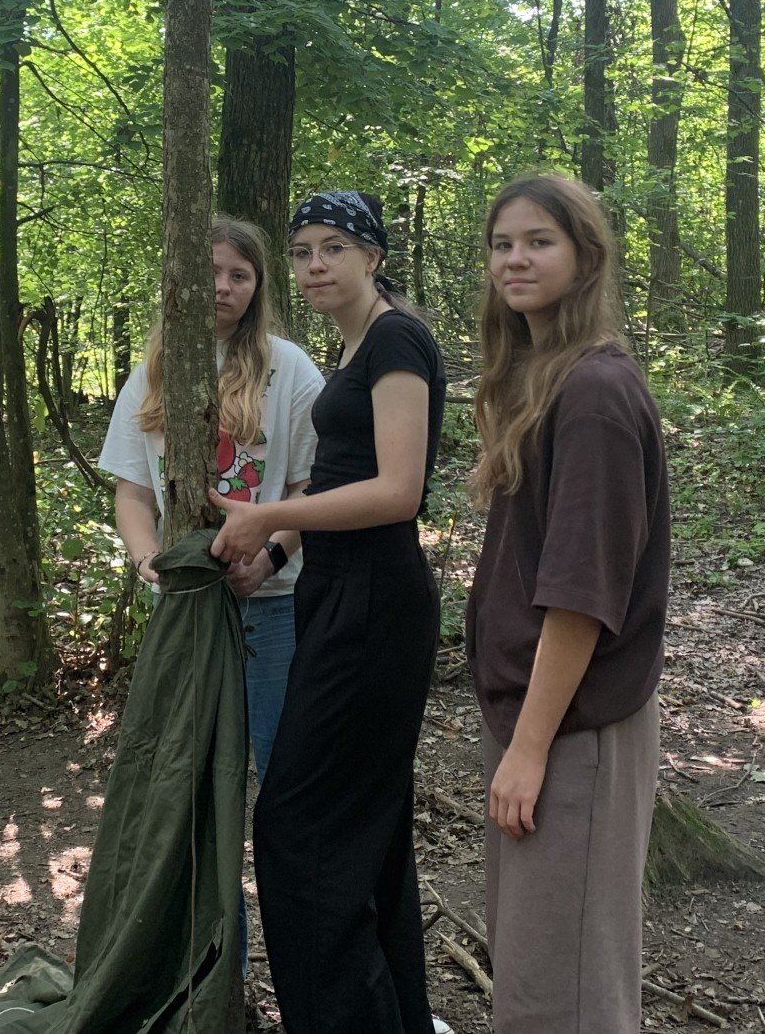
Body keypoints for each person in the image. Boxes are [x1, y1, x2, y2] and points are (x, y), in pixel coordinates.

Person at [210, 190, 445, 1034]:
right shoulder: (353, 349)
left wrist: (268, 515)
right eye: (303, 250)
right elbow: (344, 482)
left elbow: (397, 492)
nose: (314, 265)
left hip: (375, 604)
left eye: (333, 248)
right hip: (339, 592)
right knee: (368, 826)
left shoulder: (396, 340)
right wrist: (274, 557)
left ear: (372, 256)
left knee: (297, 824)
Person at [465, 173, 669, 1034]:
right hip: (538, 719)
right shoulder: (544, 380)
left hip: (574, 731)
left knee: (564, 995)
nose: (515, 259)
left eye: (538, 242)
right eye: (502, 244)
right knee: (533, 970)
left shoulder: (594, 395)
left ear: (586, 258)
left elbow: (582, 598)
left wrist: (530, 750)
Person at [97, 217, 323, 955]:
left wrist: (272, 555)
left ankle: (301, 957)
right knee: (194, 792)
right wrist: (149, 562)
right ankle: (216, 964)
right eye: (208, 272)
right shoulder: (155, 371)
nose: (221, 287)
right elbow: (133, 491)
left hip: (274, 614)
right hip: (188, 615)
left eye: (238, 275)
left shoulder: (290, 369)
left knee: (286, 787)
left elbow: (310, 486)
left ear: (258, 287)